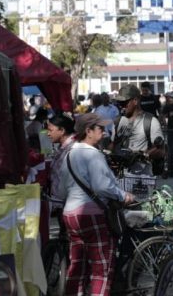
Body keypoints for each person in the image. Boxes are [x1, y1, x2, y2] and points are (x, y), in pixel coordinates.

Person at [58, 113, 135, 296]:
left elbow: (60, 190)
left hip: (70, 214)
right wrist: (123, 195)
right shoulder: (93, 154)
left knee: (77, 268)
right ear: (88, 131)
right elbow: (102, 186)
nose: (104, 132)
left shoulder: (69, 154)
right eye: (100, 128)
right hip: (92, 215)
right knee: (101, 269)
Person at [113, 85, 165, 175]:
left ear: (135, 101)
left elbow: (161, 150)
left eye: (124, 103)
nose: (121, 107)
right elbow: (113, 145)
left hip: (142, 177)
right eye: (119, 103)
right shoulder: (119, 121)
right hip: (120, 177)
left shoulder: (150, 121)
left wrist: (143, 155)